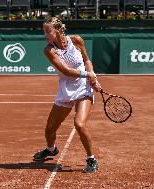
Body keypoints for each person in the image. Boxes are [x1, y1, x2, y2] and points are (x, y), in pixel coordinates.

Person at [33, 17, 102, 173]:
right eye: (44, 31)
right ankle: (51, 149)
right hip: (66, 90)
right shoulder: (49, 50)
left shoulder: (76, 40)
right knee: (49, 130)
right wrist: (88, 74)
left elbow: (86, 59)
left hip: (83, 89)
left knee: (79, 124)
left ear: (57, 31)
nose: (45, 35)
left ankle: (91, 159)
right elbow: (65, 71)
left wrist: (93, 76)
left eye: (47, 31)